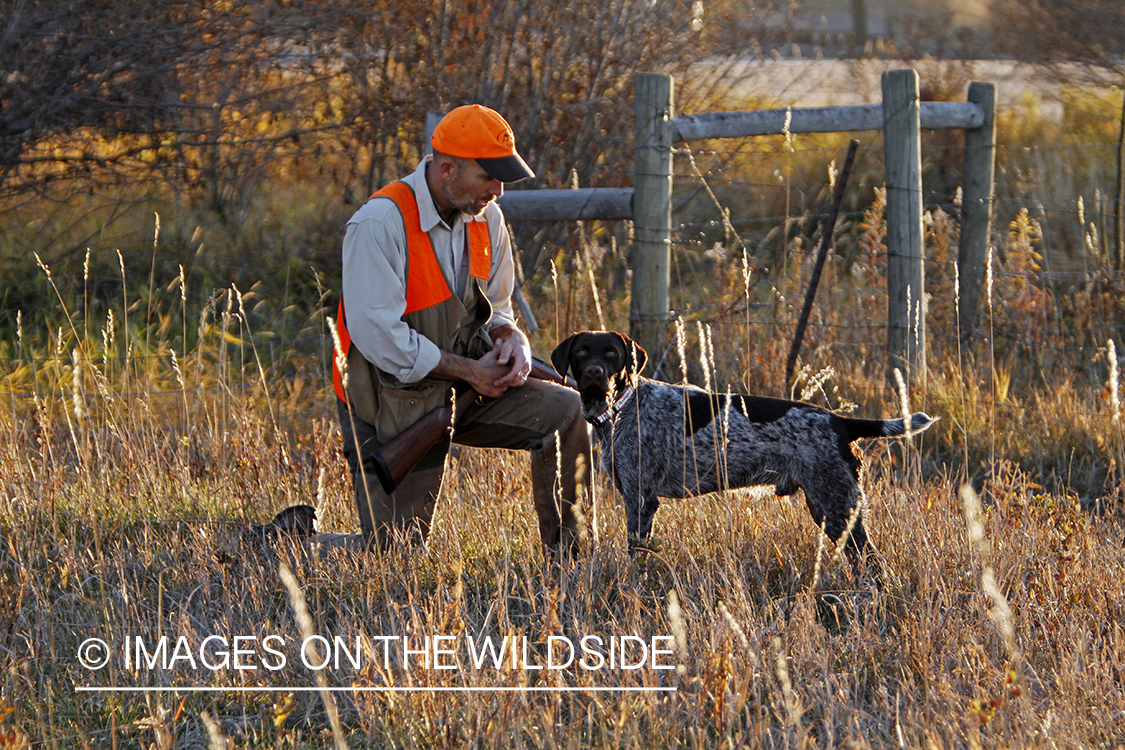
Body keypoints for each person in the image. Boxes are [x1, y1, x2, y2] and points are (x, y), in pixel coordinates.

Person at [320, 104, 592, 555]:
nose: (499, 191)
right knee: (392, 556)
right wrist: (470, 372)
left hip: (466, 389)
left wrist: (512, 341)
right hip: (390, 401)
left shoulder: (488, 219)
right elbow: (381, 340)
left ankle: (574, 563)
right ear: (447, 170)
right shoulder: (379, 224)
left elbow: (498, 308)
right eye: (490, 177)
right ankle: (286, 543)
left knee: (568, 410)